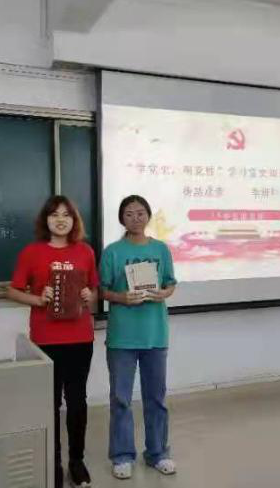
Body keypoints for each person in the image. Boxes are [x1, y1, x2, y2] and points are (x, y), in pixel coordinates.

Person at [8, 195, 98, 488]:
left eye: (66, 215)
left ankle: (76, 461)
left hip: (80, 338)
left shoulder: (85, 251)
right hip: (46, 340)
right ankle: (53, 463)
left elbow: (94, 291)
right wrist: (38, 298)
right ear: (45, 220)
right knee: (49, 403)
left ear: (74, 220)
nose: (61, 220)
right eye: (54, 214)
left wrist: (89, 296)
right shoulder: (31, 252)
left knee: (77, 402)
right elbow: (12, 291)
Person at [99, 195, 178, 480]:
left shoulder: (161, 249)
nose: (135, 218)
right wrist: (122, 297)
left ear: (148, 216)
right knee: (121, 399)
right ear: (122, 218)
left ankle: (158, 452)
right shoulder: (112, 252)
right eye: (129, 213)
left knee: (156, 397)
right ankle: (122, 455)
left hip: (155, 334)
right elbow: (102, 290)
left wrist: (163, 293)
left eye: (140, 212)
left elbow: (170, 284)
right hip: (122, 337)